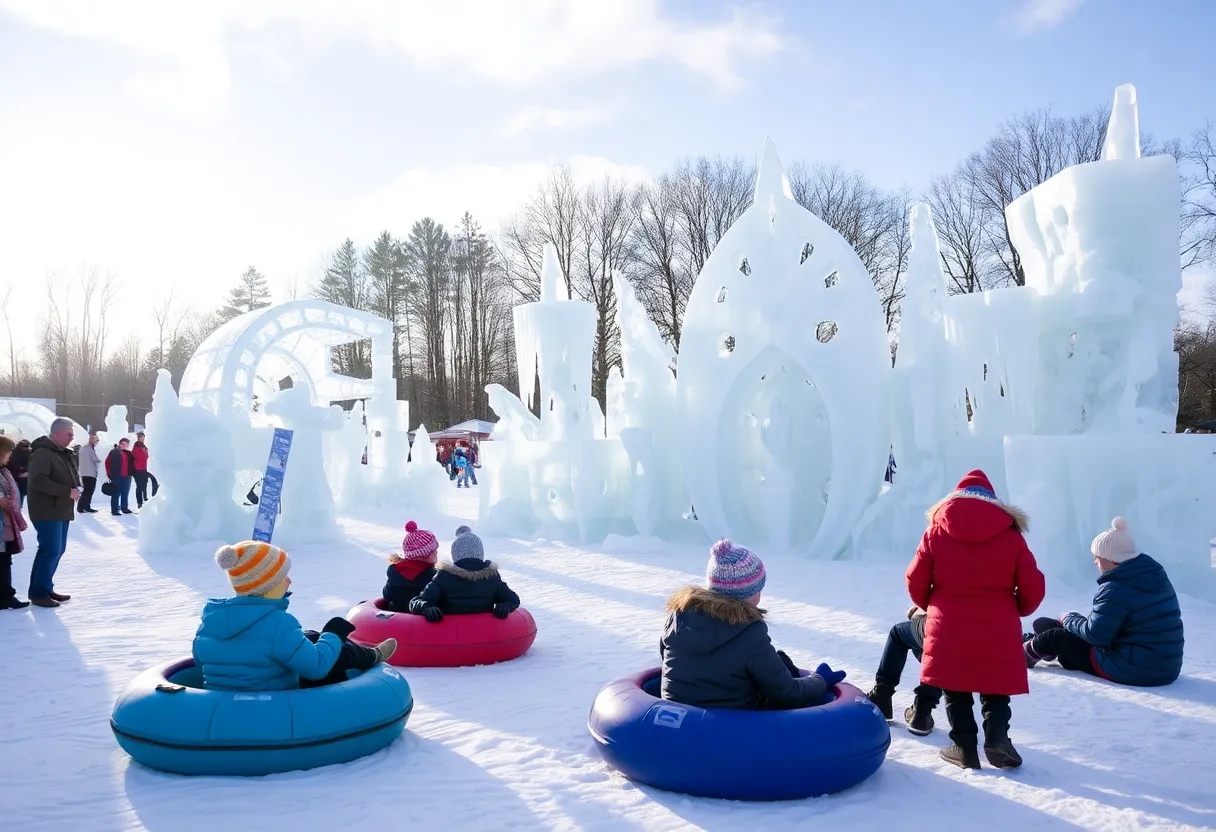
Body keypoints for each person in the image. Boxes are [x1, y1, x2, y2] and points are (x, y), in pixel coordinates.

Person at [906, 470, 1045, 770]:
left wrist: (930, 604)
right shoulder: (1011, 535)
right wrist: (1016, 609)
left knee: (955, 686)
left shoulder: (935, 531)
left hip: (949, 624)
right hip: (998, 624)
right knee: (995, 685)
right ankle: (997, 740)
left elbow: (915, 580)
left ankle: (963, 746)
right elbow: (1033, 586)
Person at [660, 538, 845, 710]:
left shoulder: (679, 616)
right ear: (747, 593)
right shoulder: (748, 633)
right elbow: (787, 694)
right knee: (777, 675)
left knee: (779, 662)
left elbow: (669, 659)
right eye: (759, 588)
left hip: (677, 721)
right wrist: (820, 680)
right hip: (733, 726)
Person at [193, 541, 397, 691]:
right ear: (267, 585)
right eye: (283, 577)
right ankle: (372, 656)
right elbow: (316, 668)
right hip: (275, 705)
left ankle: (364, 652)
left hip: (219, 704)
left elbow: (201, 662)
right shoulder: (279, 624)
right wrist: (333, 633)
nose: (289, 581)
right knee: (333, 649)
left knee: (309, 637)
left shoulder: (210, 620)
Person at [1025, 517, 1183, 687]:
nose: (1095, 562)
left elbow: (1096, 636)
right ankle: (1054, 643)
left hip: (1135, 669)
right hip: (1167, 667)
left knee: (1053, 637)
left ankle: (1021, 654)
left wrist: (1068, 619)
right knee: (1067, 630)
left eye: (1096, 557)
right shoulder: (1154, 576)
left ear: (1108, 560)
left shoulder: (1115, 588)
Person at [409, 525, 520, 622]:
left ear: (456, 554)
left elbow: (415, 602)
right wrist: (505, 606)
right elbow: (513, 600)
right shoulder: (491, 577)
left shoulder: (444, 576)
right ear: (480, 553)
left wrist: (426, 608)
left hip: (450, 637)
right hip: (484, 635)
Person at [25, 419, 81, 608]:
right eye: (69, 434)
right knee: (50, 550)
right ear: (56, 434)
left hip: (61, 509)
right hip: (46, 510)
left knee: (57, 550)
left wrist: (76, 488)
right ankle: (38, 593)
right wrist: (67, 492)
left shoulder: (64, 453)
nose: (72, 438)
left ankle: (45, 587)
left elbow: (71, 476)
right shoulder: (42, 453)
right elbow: (38, 481)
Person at [866, 605, 940, 735]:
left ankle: (882, 695)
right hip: (981, 635)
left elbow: (919, 587)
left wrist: (921, 610)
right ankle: (922, 712)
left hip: (944, 623)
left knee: (899, 635)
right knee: (941, 652)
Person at [382, 521, 439, 612]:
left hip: (396, 619)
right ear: (422, 554)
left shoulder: (395, 571)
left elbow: (387, 595)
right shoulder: (433, 575)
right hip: (423, 620)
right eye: (433, 550)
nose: (436, 552)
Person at [1, 436, 30, 609]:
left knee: (5, 559)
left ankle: (5, 594)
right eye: (8, 451)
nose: (10, 455)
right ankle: (5, 595)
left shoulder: (3, 470)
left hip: (6, 521)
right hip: (2, 521)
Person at [105, 438, 134, 515]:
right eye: (123, 444)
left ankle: (124, 508)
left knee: (125, 492)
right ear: (120, 444)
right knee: (116, 493)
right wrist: (109, 474)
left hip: (127, 476)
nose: (124, 446)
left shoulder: (128, 453)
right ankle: (114, 510)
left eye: (126, 444)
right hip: (117, 476)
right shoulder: (114, 452)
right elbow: (107, 463)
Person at [76, 433, 102, 514]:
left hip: (84, 472)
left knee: (87, 490)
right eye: (96, 440)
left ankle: (82, 506)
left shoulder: (84, 448)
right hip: (90, 472)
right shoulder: (89, 448)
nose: (97, 442)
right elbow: (95, 459)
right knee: (89, 490)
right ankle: (84, 506)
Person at [5, 438, 30, 509]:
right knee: (17, 504)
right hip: (20, 483)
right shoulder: (29, 454)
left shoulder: (14, 453)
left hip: (15, 482)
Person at [132, 430, 151, 508]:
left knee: (144, 485)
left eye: (143, 438)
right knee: (139, 486)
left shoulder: (143, 447)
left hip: (144, 469)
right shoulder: (136, 447)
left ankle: (145, 499)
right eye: (141, 438)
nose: (142, 439)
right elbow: (141, 457)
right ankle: (139, 503)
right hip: (138, 469)